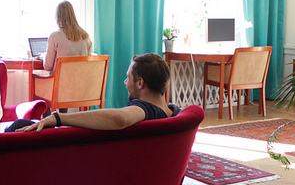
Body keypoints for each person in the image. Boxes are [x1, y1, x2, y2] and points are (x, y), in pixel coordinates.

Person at [18, 53, 180, 132]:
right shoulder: (175, 113)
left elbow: (120, 118)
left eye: (128, 78)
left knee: (21, 125)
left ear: (140, 83)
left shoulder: (145, 110)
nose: (125, 83)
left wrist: (58, 118)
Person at [43, 1, 93, 72]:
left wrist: (43, 57)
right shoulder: (86, 37)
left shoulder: (55, 37)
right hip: (81, 78)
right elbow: (88, 63)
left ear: (58, 17)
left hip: (61, 78)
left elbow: (48, 67)